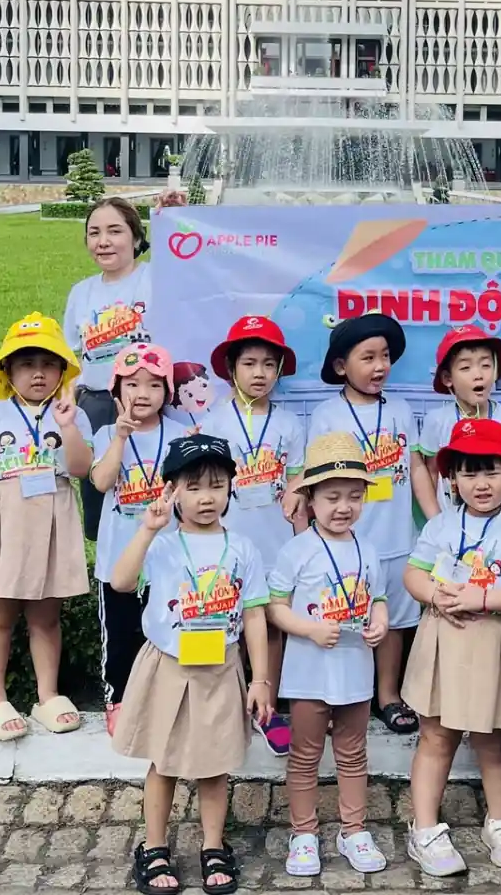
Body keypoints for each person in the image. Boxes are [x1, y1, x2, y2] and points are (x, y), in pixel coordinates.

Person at [110, 436, 274, 895]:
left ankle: (214, 845)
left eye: (217, 486)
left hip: (221, 667)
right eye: (194, 486)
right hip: (168, 666)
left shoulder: (242, 548)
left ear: (231, 489)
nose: (206, 498)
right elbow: (121, 582)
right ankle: (154, 846)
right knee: (163, 762)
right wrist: (147, 529)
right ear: (173, 490)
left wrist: (261, 678)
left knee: (214, 765)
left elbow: (255, 614)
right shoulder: (161, 545)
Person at [401, 418, 501, 877]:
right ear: (452, 479)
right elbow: (413, 573)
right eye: (469, 472)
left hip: (496, 643)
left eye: (492, 471)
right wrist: (433, 594)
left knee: (495, 739)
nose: (481, 483)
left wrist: (482, 598)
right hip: (443, 640)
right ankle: (425, 827)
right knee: (435, 735)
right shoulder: (441, 526)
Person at [0, 313, 93, 741]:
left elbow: (81, 469)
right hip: (3, 519)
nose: (38, 373)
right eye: (26, 364)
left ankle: (47, 695)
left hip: (54, 514)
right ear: (7, 370)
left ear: (63, 370)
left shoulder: (73, 416)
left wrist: (68, 425)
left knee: (47, 615)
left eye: (48, 364)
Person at [268, 433, 392, 877]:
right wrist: (310, 629)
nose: (344, 507)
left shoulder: (368, 549)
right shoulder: (296, 550)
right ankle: (303, 832)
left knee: (353, 752)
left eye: (354, 497)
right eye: (332, 497)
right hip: (308, 673)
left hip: (356, 670)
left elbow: (378, 597)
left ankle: (353, 829)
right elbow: (275, 607)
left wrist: (380, 621)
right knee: (304, 754)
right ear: (311, 499)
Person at [305, 313, 427, 735]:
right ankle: (337, 698)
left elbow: (415, 467)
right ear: (341, 366)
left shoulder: (401, 410)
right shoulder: (326, 415)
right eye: (368, 357)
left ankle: (387, 695)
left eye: (385, 356)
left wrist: (435, 521)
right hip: (347, 543)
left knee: (393, 622)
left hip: (397, 540)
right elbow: (315, 481)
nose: (380, 366)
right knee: (343, 619)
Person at [195, 315, 307, 755]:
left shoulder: (290, 424)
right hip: (226, 543)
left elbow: (297, 480)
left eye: (269, 364)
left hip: (276, 542)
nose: (259, 373)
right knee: (222, 624)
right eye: (249, 363)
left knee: (272, 626)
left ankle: (267, 708)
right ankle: (217, 706)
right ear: (230, 368)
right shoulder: (214, 422)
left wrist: (302, 537)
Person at [90, 342, 197, 734]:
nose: (142, 393)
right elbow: (102, 482)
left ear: (167, 392)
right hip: (119, 557)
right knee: (120, 635)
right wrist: (120, 438)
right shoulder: (106, 433)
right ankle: (118, 698)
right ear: (116, 390)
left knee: (168, 628)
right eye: (132, 384)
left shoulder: (181, 435)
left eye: (154, 385)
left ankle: (164, 697)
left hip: (168, 557)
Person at [63, 198, 155, 563]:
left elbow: (191, 261)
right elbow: (70, 356)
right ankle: (109, 573)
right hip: (97, 404)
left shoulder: (154, 278)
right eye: (94, 233)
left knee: (147, 486)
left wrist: (172, 215)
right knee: (102, 494)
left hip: (150, 403)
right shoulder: (81, 292)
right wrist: (67, 404)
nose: (103, 241)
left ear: (136, 238)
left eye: (115, 231)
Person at [416, 325, 501, 519]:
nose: (478, 374)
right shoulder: (436, 421)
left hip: (500, 523)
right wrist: (437, 521)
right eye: (465, 367)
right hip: (451, 524)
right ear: (447, 378)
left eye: (486, 365)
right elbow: (432, 472)